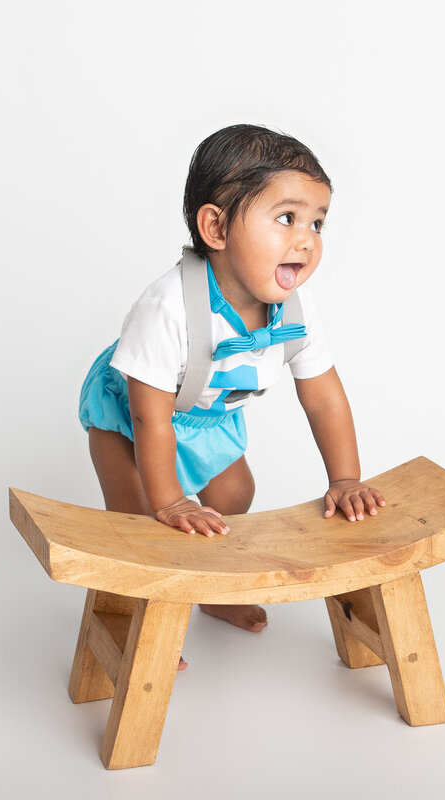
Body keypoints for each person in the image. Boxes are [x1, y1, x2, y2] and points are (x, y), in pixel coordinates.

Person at [78, 124, 385, 669]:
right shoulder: (167, 309)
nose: (307, 238)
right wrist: (169, 501)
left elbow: (324, 398)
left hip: (205, 415)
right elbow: (151, 420)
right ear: (216, 227)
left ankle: (211, 592)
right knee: (137, 522)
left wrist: (344, 478)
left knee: (235, 493)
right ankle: (135, 618)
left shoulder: (295, 308)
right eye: (287, 217)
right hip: (131, 414)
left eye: (318, 221)